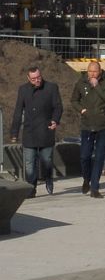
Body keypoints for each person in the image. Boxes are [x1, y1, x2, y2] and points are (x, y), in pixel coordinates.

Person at [9, 65, 62, 197]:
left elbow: (58, 107)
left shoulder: (51, 88)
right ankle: (31, 189)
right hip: (30, 132)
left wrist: (55, 120)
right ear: (28, 78)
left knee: (47, 161)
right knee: (29, 164)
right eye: (33, 79)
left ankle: (48, 178)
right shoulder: (23, 90)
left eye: (38, 77)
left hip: (46, 130)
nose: (37, 80)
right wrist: (14, 132)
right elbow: (18, 111)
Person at [71, 60, 105, 198]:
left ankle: (95, 187)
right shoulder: (81, 82)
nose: (92, 74)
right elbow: (74, 100)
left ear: (100, 71)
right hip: (87, 124)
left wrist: (97, 86)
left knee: (99, 157)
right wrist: (82, 110)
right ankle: (87, 178)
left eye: (95, 71)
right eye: (89, 71)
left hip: (103, 124)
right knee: (85, 156)